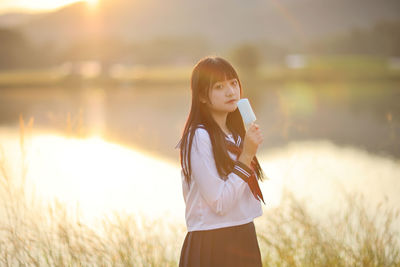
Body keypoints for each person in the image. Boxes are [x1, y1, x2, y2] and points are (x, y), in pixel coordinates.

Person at [177, 56, 266, 267]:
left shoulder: (235, 135)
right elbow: (219, 202)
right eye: (219, 86)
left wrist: (247, 150)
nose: (231, 92)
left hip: (243, 235)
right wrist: (246, 155)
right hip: (212, 242)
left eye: (233, 83)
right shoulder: (198, 137)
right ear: (202, 96)